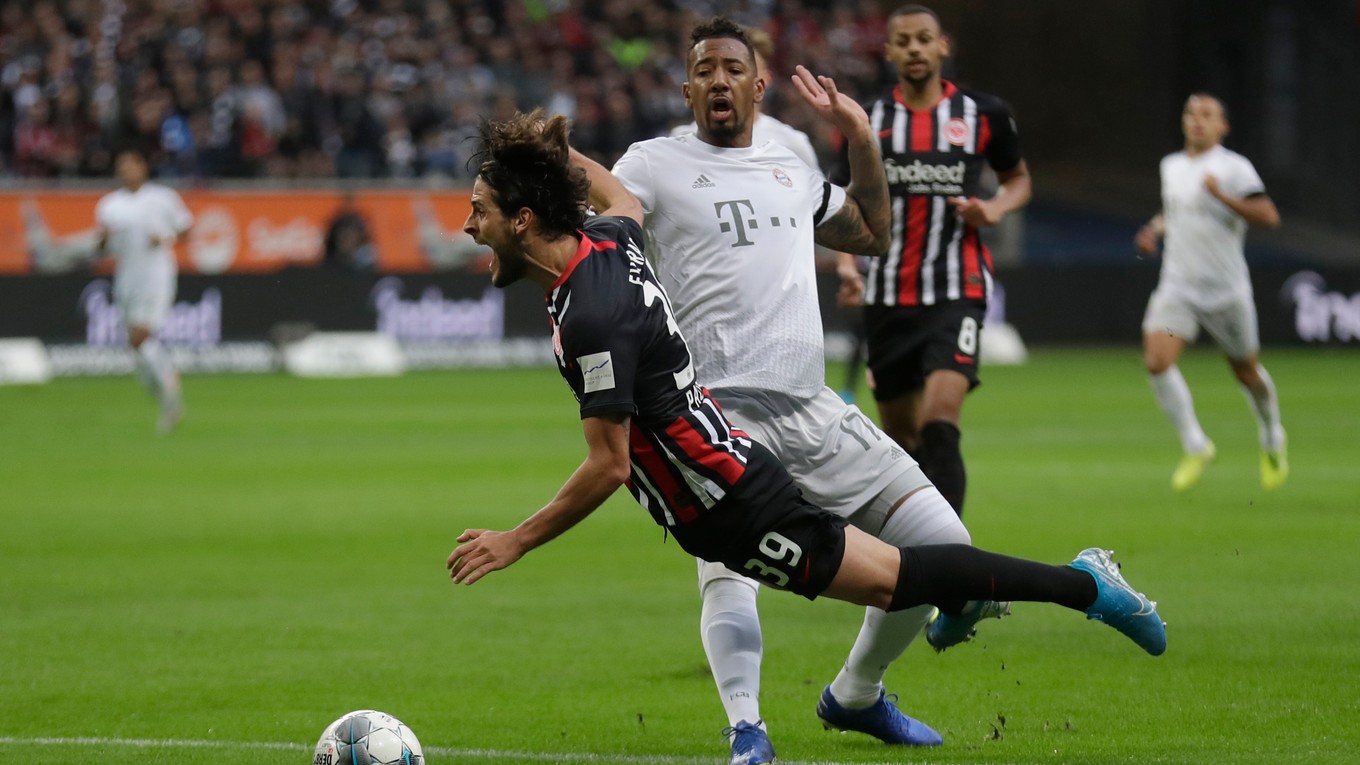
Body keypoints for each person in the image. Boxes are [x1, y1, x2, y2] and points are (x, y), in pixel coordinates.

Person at [446, 110, 1166, 765]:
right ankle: (792, 713)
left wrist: (516, 539)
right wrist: (559, 155)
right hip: (731, 468)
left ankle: (1085, 583)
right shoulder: (607, 243)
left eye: (479, 211)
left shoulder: (591, 316)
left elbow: (606, 465)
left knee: (905, 580)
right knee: (916, 575)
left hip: (734, 502)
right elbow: (625, 201)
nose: (468, 226)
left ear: (523, 218)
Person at [598, 17, 1001, 762]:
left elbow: (871, 233)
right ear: (688, 89)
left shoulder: (789, 154)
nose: (718, 79)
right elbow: (601, 243)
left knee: (945, 544)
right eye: (704, 69)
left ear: (758, 85)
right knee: (729, 577)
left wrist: (861, 137)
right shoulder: (650, 164)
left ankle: (855, 693)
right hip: (715, 413)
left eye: (732, 68)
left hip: (814, 408)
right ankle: (747, 728)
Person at [835, 4, 1032, 517]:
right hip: (887, 294)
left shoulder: (983, 114)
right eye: (904, 41)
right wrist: (846, 266)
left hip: (956, 289)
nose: (915, 49)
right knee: (903, 441)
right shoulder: (868, 121)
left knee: (941, 424)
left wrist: (993, 208)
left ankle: (951, 567)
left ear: (943, 46)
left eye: (924, 39)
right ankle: (920, 549)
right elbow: (845, 203)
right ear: (890, 51)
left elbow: (1018, 179)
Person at [1134, 93, 1287, 491]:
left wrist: (1223, 197)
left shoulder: (1234, 168)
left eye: (1207, 115)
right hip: (1178, 288)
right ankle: (1196, 444)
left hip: (1225, 292)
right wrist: (1153, 231)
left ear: (1223, 127)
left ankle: (1272, 435)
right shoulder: (1172, 166)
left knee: (1245, 370)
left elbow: (1269, 216)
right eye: (1191, 113)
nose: (1197, 121)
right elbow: (1175, 210)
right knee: (1157, 360)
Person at [93, 148, 194, 433]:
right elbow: (102, 249)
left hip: (156, 276)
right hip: (126, 278)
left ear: (143, 167)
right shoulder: (109, 205)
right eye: (121, 167)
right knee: (136, 350)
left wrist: (165, 237)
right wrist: (102, 240)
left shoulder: (163, 198)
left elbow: (187, 230)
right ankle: (167, 397)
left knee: (140, 337)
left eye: (131, 166)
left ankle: (170, 385)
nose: (126, 171)